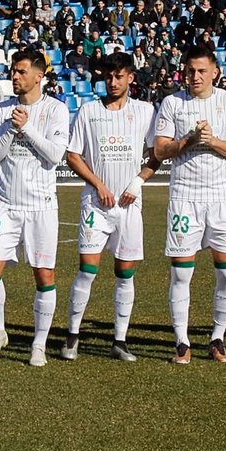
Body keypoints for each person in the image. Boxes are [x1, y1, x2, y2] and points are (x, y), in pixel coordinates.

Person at [150, 44, 226, 364]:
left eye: (202, 71)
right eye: (190, 71)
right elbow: (161, 151)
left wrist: (211, 140)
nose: (195, 76)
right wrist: (189, 140)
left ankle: (217, 338)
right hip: (184, 197)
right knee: (181, 274)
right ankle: (182, 340)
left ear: (215, 72)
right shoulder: (172, 103)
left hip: (221, 197)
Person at [60, 53, 156, 362]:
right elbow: (73, 155)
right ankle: (72, 336)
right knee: (87, 270)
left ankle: (120, 340)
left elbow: (157, 154)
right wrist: (98, 184)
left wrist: (138, 181)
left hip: (129, 207)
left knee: (124, 274)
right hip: (95, 205)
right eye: (108, 77)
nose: (112, 82)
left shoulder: (146, 111)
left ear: (130, 78)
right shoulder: (89, 111)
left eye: (119, 76)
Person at [0, 50, 72, 367]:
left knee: (43, 275)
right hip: (5, 203)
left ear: (38, 76)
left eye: (20, 71)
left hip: (41, 206)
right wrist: (11, 127)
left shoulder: (56, 110)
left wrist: (27, 128)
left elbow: (55, 155)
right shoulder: (2, 110)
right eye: (12, 71)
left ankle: (39, 343)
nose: (14, 76)